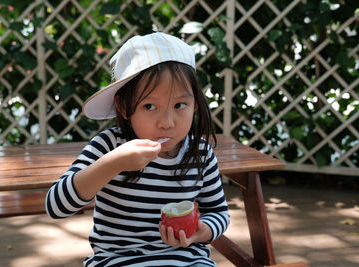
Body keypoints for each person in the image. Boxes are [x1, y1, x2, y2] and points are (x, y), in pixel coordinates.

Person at [45, 32, 230, 267]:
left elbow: (218, 212)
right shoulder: (109, 146)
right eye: (150, 106)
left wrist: (202, 231)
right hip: (117, 260)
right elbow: (55, 206)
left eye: (179, 105)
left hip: (186, 259)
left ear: (194, 104)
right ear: (124, 107)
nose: (167, 122)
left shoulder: (200, 153)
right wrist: (114, 163)